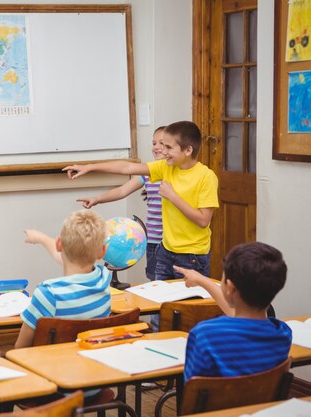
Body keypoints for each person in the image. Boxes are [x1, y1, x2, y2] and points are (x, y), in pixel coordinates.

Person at [64, 121, 218, 281]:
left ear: (188, 150)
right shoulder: (166, 167)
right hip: (165, 251)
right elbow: (127, 168)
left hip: (191, 256)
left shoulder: (206, 177)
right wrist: (89, 167)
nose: (163, 151)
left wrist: (172, 196)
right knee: (161, 303)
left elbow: (203, 220)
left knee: (187, 305)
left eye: (168, 147)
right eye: (162, 146)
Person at [174, 242, 292, 381]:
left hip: (219, 403)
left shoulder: (204, 335)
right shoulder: (283, 333)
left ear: (229, 287)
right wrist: (201, 280)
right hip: (266, 403)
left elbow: (192, 389)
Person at [76, 126, 166, 280]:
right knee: (155, 282)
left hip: (172, 244)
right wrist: (97, 199)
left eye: (162, 143)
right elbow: (122, 191)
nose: (156, 147)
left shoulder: (177, 173)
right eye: (154, 143)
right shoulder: (147, 174)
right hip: (153, 241)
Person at [15, 210, 112, 348]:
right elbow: (77, 260)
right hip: (91, 362)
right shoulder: (104, 278)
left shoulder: (48, 294)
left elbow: (20, 348)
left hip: (53, 367)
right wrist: (41, 238)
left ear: (59, 244)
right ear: (102, 252)